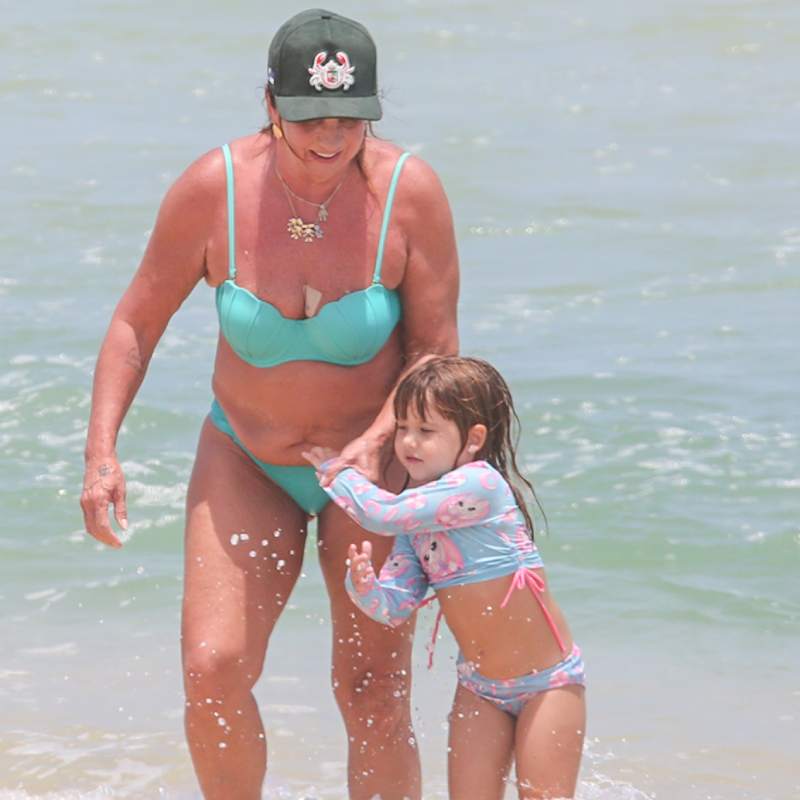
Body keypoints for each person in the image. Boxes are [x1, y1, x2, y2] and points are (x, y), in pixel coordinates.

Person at [80, 9, 458, 800]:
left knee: (372, 692)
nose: (330, 136)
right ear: (269, 103)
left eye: (350, 118)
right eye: (309, 116)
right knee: (212, 670)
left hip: (374, 470)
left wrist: (380, 441)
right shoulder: (214, 188)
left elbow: (435, 353)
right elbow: (134, 322)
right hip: (247, 456)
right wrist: (101, 453)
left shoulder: (408, 194)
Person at [304, 356, 586, 800]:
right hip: (480, 689)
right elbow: (394, 606)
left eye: (426, 430)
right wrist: (364, 587)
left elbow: (381, 513)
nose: (409, 442)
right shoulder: (417, 520)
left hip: (546, 685)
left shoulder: (480, 486)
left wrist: (336, 474)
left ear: (473, 439)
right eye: (402, 428)